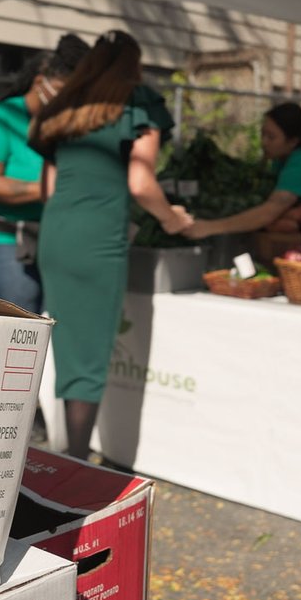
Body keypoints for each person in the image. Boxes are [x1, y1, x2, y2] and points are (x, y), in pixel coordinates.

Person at [28, 30, 192, 458]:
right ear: (132, 67)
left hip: (57, 235)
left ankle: (71, 455)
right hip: (98, 239)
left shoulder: (65, 108)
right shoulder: (138, 103)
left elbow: (47, 189)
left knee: (70, 349)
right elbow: (141, 182)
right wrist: (174, 219)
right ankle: (77, 467)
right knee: (91, 355)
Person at [0, 34, 91, 313]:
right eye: (65, 91)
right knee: (20, 319)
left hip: (57, 239)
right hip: (8, 239)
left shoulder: (67, 124)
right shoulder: (1, 118)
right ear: (40, 83)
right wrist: (47, 190)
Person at [180, 102, 301, 240]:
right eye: (262, 134)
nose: (264, 142)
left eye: (271, 137)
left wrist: (211, 227)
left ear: (292, 141)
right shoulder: (280, 161)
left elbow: (270, 211)